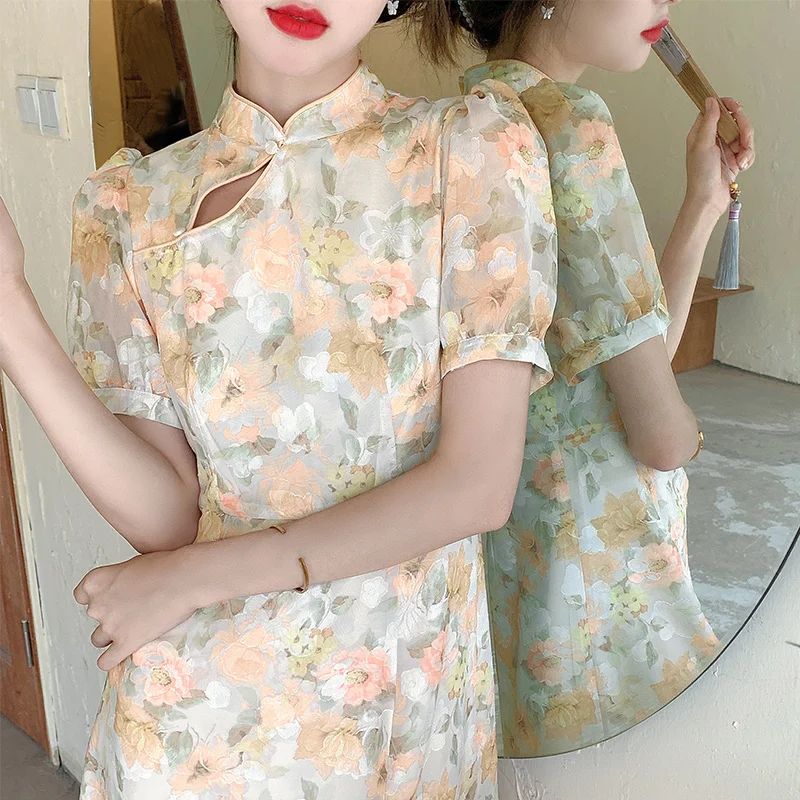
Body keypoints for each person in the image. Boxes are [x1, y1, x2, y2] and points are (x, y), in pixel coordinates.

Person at [0, 0, 561, 796]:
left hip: (397, 713)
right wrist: (8, 304)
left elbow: (476, 484)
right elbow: (170, 515)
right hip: (197, 729)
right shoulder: (124, 205)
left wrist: (195, 578)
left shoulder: (469, 151)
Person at [415, 0, 756, 757]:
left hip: (520, 547)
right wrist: (691, 439)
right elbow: (661, 436)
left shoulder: (466, 121)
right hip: (605, 562)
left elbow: (628, 353)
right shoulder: (572, 125)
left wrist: (703, 202)